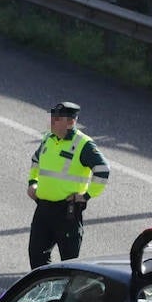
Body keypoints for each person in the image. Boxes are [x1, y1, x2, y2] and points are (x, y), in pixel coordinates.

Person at [26, 101, 109, 268]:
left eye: (57, 119)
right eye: (52, 117)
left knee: (69, 264)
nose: (52, 121)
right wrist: (32, 183)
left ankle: (65, 294)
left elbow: (103, 170)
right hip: (43, 208)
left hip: (66, 212)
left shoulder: (83, 144)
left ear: (71, 122)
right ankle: (45, 292)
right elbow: (36, 161)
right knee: (36, 257)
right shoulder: (48, 139)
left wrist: (86, 195)